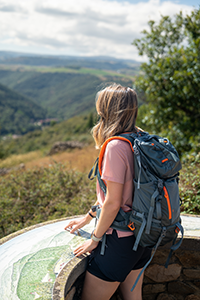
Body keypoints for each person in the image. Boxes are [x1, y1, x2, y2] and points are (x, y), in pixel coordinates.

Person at [64, 84, 151, 300]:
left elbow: (113, 203)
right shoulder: (141, 138)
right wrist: (86, 219)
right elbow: (112, 198)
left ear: (107, 110)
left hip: (118, 242)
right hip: (143, 237)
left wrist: (94, 239)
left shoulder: (115, 147)